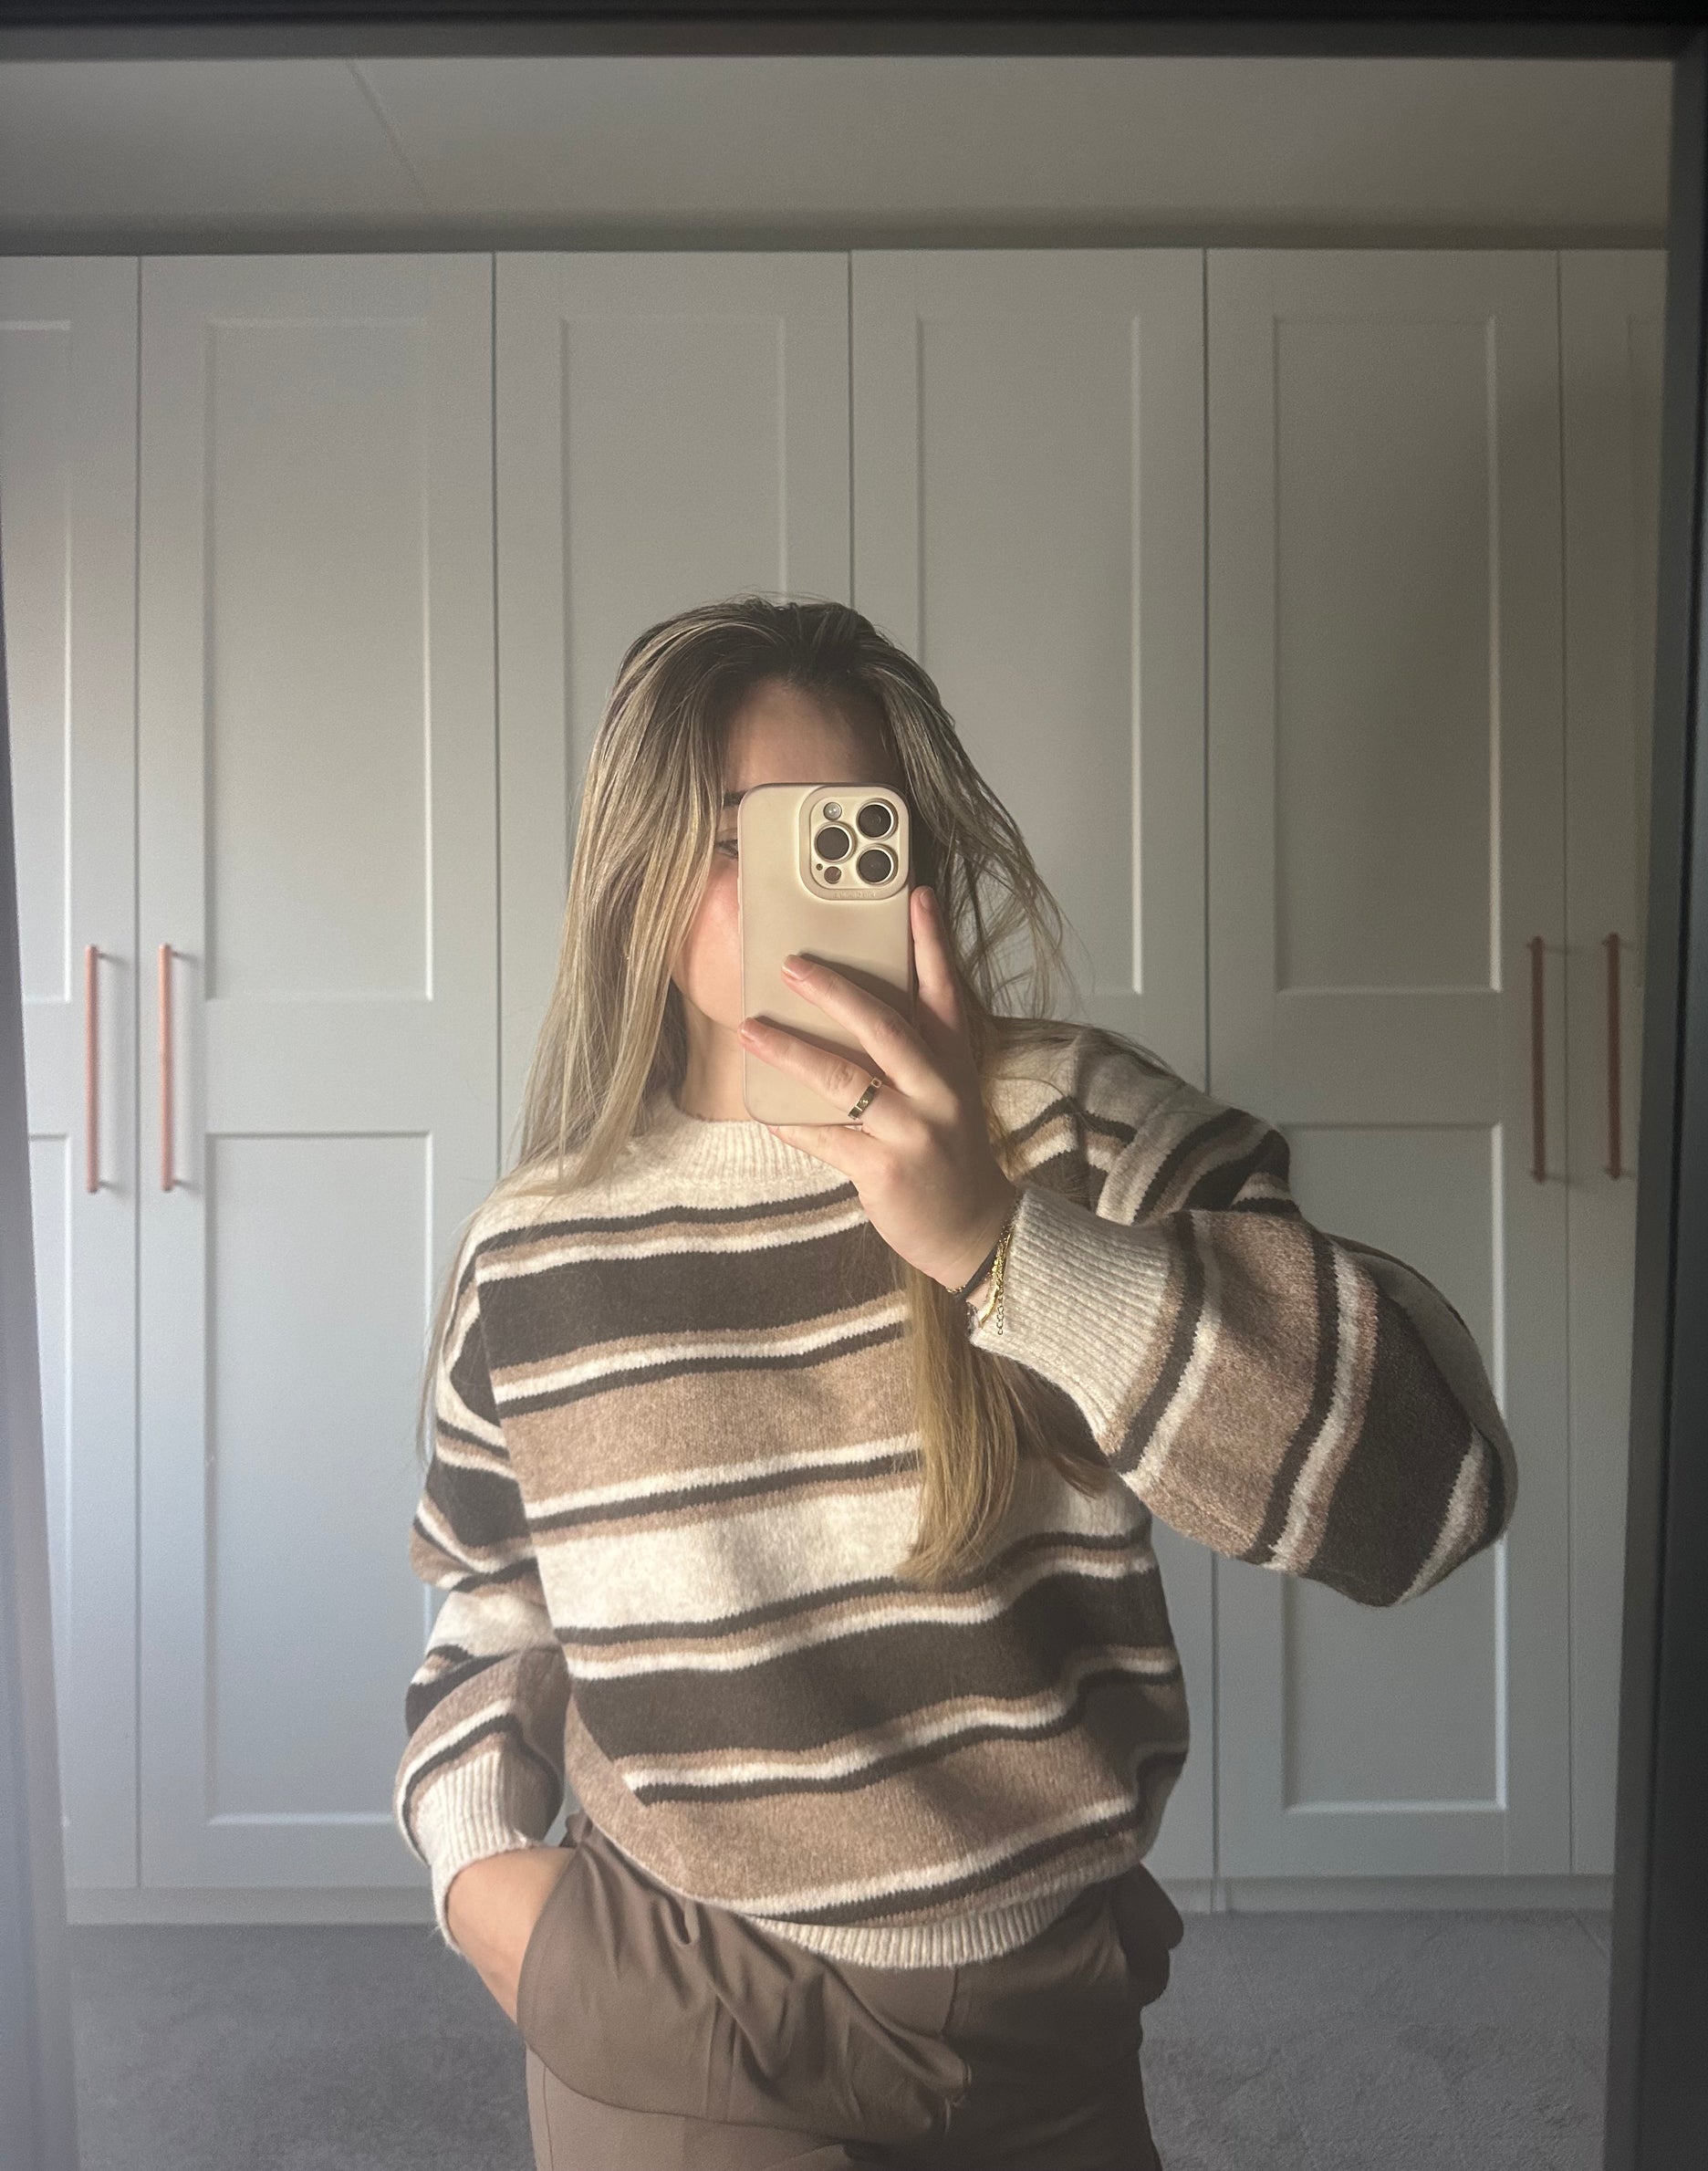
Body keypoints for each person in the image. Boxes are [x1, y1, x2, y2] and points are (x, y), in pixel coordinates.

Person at [392, 595, 1519, 2170]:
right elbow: (487, 1596)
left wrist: (1002, 1244)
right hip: (670, 1996)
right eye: (744, 836)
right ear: (635, 868)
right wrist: (478, 1873)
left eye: (854, 830)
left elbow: (1434, 1489)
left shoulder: (1069, 1128)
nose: (809, 882)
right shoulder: (536, 1244)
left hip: (1038, 2015)